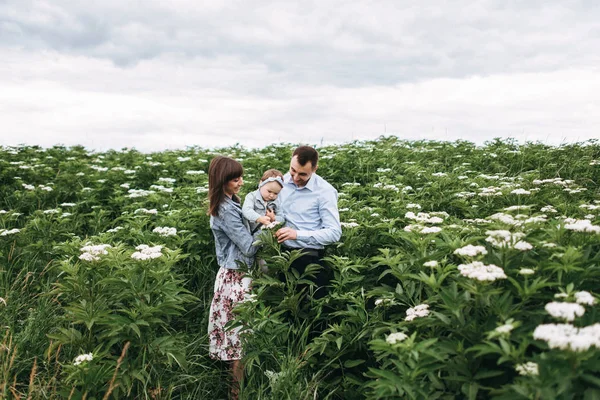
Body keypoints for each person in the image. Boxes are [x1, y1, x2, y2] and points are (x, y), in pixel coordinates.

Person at [207, 156, 259, 399]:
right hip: (235, 278)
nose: (241, 182)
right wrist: (269, 228)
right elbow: (248, 247)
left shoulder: (231, 203)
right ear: (222, 181)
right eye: (235, 179)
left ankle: (236, 392)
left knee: (238, 339)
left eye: (241, 177)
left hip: (235, 275)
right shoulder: (226, 210)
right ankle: (236, 394)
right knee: (239, 340)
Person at [275, 146, 342, 299]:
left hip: (309, 259)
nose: (295, 177)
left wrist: (297, 234)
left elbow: (334, 232)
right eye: (293, 170)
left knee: (309, 313)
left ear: (315, 169)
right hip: (280, 256)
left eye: (303, 174)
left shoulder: (325, 191)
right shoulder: (280, 183)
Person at [242, 169, 285, 233]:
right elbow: (246, 210)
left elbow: (282, 218)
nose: (271, 195)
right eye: (269, 191)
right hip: (251, 232)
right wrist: (259, 218)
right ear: (261, 183)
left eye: (276, 193)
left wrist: (274, 218)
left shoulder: (276, 202)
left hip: (268, 234)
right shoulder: (252, 196)